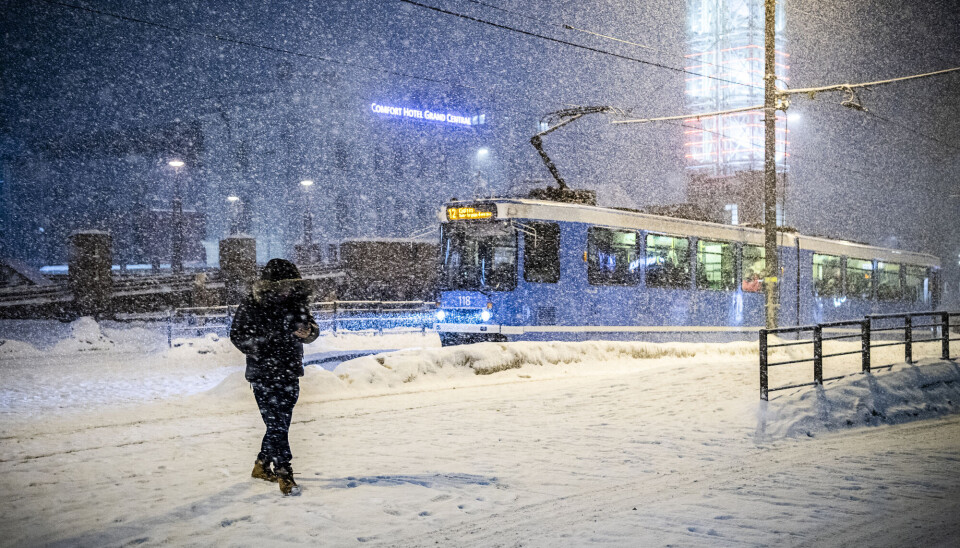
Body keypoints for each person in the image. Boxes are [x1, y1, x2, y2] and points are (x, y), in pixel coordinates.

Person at [229, 258, 319, 496]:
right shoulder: (253, 304)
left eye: (292, 286)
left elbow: (312, 328)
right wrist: (273, 338)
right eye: (283, 286)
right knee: (277, 424)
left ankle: (261, 465)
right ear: (271, 285)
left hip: (290, 371)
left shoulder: (297, 303)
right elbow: (239, 337)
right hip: (263, 374)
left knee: (279, 424)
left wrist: (309, 332)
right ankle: (284, 471)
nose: (287, 291)